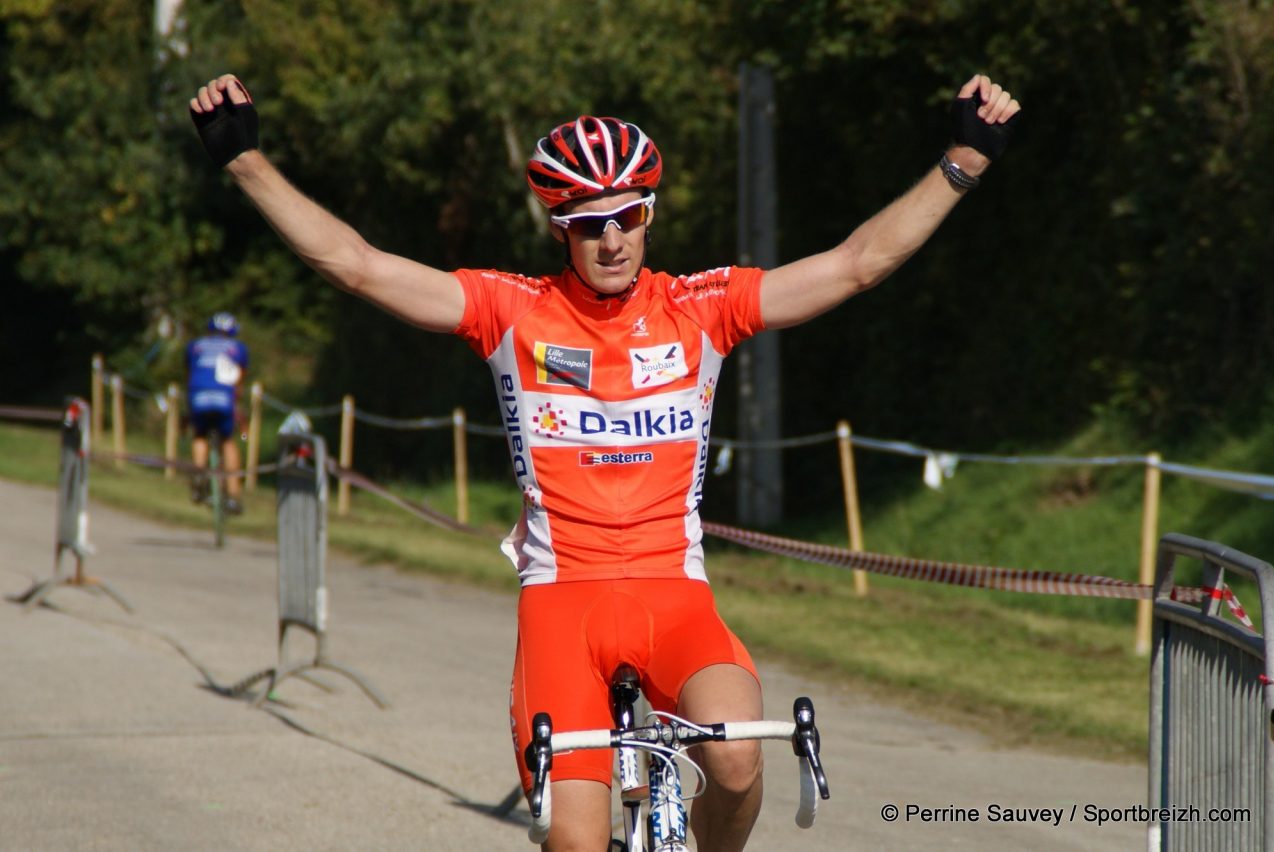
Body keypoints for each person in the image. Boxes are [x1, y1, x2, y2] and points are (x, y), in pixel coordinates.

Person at [189, 73, 1019, 851]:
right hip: (564, 604)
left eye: (629, 216)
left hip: (675, 594)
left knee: (735, 758)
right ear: (560, 225)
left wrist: (963, 164)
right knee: (577, 840)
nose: (613, 239)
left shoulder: (704, 307)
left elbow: (856, 264)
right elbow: (358, 266)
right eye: (590, 222)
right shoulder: (510, 311)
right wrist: (246, 161)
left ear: (650, 214)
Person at [186, 310, 249, 515]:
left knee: (200, 434)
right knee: (228, 440)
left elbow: (190, 373)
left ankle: (199, 474)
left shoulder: (195, 346)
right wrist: (238, 404)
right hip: (224, 398)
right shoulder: (237, 348)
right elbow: (239, 381)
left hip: (198, 396)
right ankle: (233, 495)